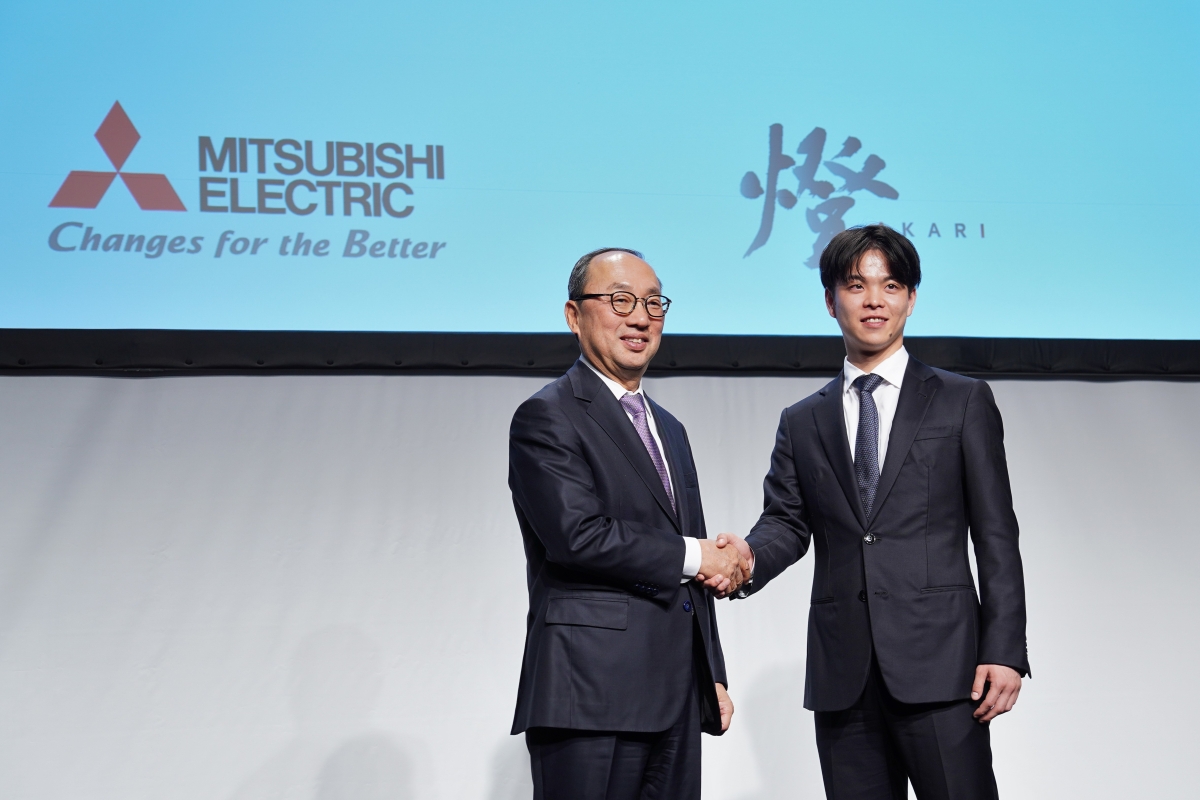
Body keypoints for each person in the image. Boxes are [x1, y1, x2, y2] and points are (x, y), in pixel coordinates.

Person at [713, 224, 1029, 799]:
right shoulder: (802, 420)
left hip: (944, 667)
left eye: (890, 285)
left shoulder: (962, 400)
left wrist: (1004, 649)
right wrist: (748, 557)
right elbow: (787, 522)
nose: (874, 300)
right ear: (831, 301)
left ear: (911, 298)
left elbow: (996, 534)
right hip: (844, 676)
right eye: (856, 286)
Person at [508, 247, 747, 800]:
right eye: (620, 301)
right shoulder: (547, 415)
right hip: (589, 694)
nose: (640, 317)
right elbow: (577, 537)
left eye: (653, 303)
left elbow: (692, 570)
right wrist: (699, 554)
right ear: (574, 315)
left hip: (677, 695)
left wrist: (710, 671)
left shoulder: (670, 429)